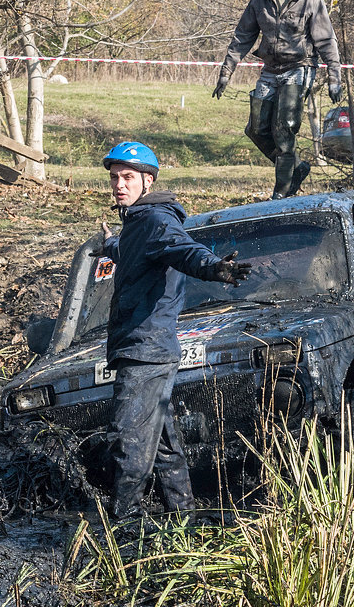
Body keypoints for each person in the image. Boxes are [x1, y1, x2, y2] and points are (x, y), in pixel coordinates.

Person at [99, 142, 252, 522]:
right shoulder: (138, 224)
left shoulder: (156, 221)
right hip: (146, 347)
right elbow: (137, 252)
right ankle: (182, 521)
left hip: (146, 351)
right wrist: (110, 245)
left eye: (128, 178)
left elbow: (184, 250)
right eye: (115, 178)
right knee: (164, 446)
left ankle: (123, 526)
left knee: (127, 439)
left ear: (148, 181)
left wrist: (217, 268)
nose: (119, 185)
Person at [213, 0, 343, 200]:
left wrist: (334, 78)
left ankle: (281, 193)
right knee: (257, 128)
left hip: (299, 67)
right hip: (271, 69)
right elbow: (243, 36)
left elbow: (326, 40)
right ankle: (294, 168)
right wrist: (226, 71)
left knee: (285, 129)